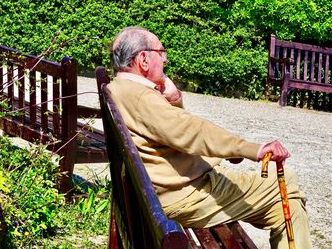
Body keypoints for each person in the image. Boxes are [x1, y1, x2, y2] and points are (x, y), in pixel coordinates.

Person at [107, 26, 312, 249]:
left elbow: (172, 129)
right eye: (161, 52)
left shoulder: (119, 88)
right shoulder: (141, 97)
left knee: (287, 210)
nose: (165, 60)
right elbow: (192, 131)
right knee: (288, 178)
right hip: (185, 196)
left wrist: (174, 98)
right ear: (144, 60)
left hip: (160, 194)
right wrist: (249, 149)